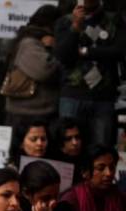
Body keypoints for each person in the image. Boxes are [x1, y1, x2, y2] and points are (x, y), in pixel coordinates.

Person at [54, 0, 126, 147]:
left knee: (101, 148)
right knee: (69, 146)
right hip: (73, 95)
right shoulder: (65, 21)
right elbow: (63, 55)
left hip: (103, 96)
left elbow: (119, 51)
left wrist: (86, 52)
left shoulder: (114, 20)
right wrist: (75, 27)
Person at [2, 5, 61, 127]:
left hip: (31, 110)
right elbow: (45, 70)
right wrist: (51, 48)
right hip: (29, 112)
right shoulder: (29, 42)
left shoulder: (28, 38)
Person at [60, 145, 125, 211]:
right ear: (85, 172)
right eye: (100, 168)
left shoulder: (120, 198)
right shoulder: (71, 200)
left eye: (112, 167)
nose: (109, 173)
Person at [48, 117, 85, 184]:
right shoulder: (51, 165)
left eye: (77, 137)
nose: (75, 143)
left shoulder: (86, 159)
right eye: (68, 139)